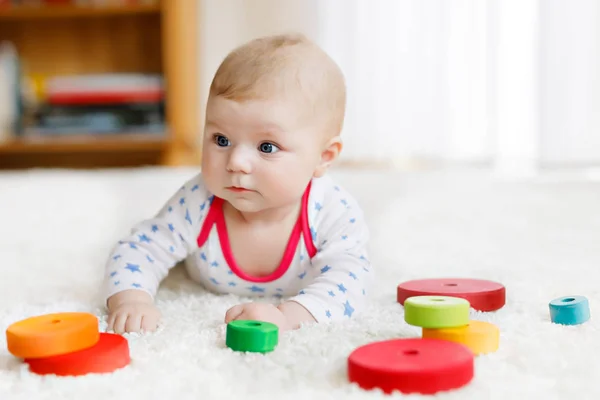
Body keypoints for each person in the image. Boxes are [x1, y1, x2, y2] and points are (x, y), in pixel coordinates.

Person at [103, 32, 372, 334]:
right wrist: (132, 301)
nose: (236, 162)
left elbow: (350, 281)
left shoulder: (332, 211)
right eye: (221, 139)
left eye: (266, 147)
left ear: (323, 156)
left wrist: (287, 316)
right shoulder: (199, 200)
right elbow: (140, 249)